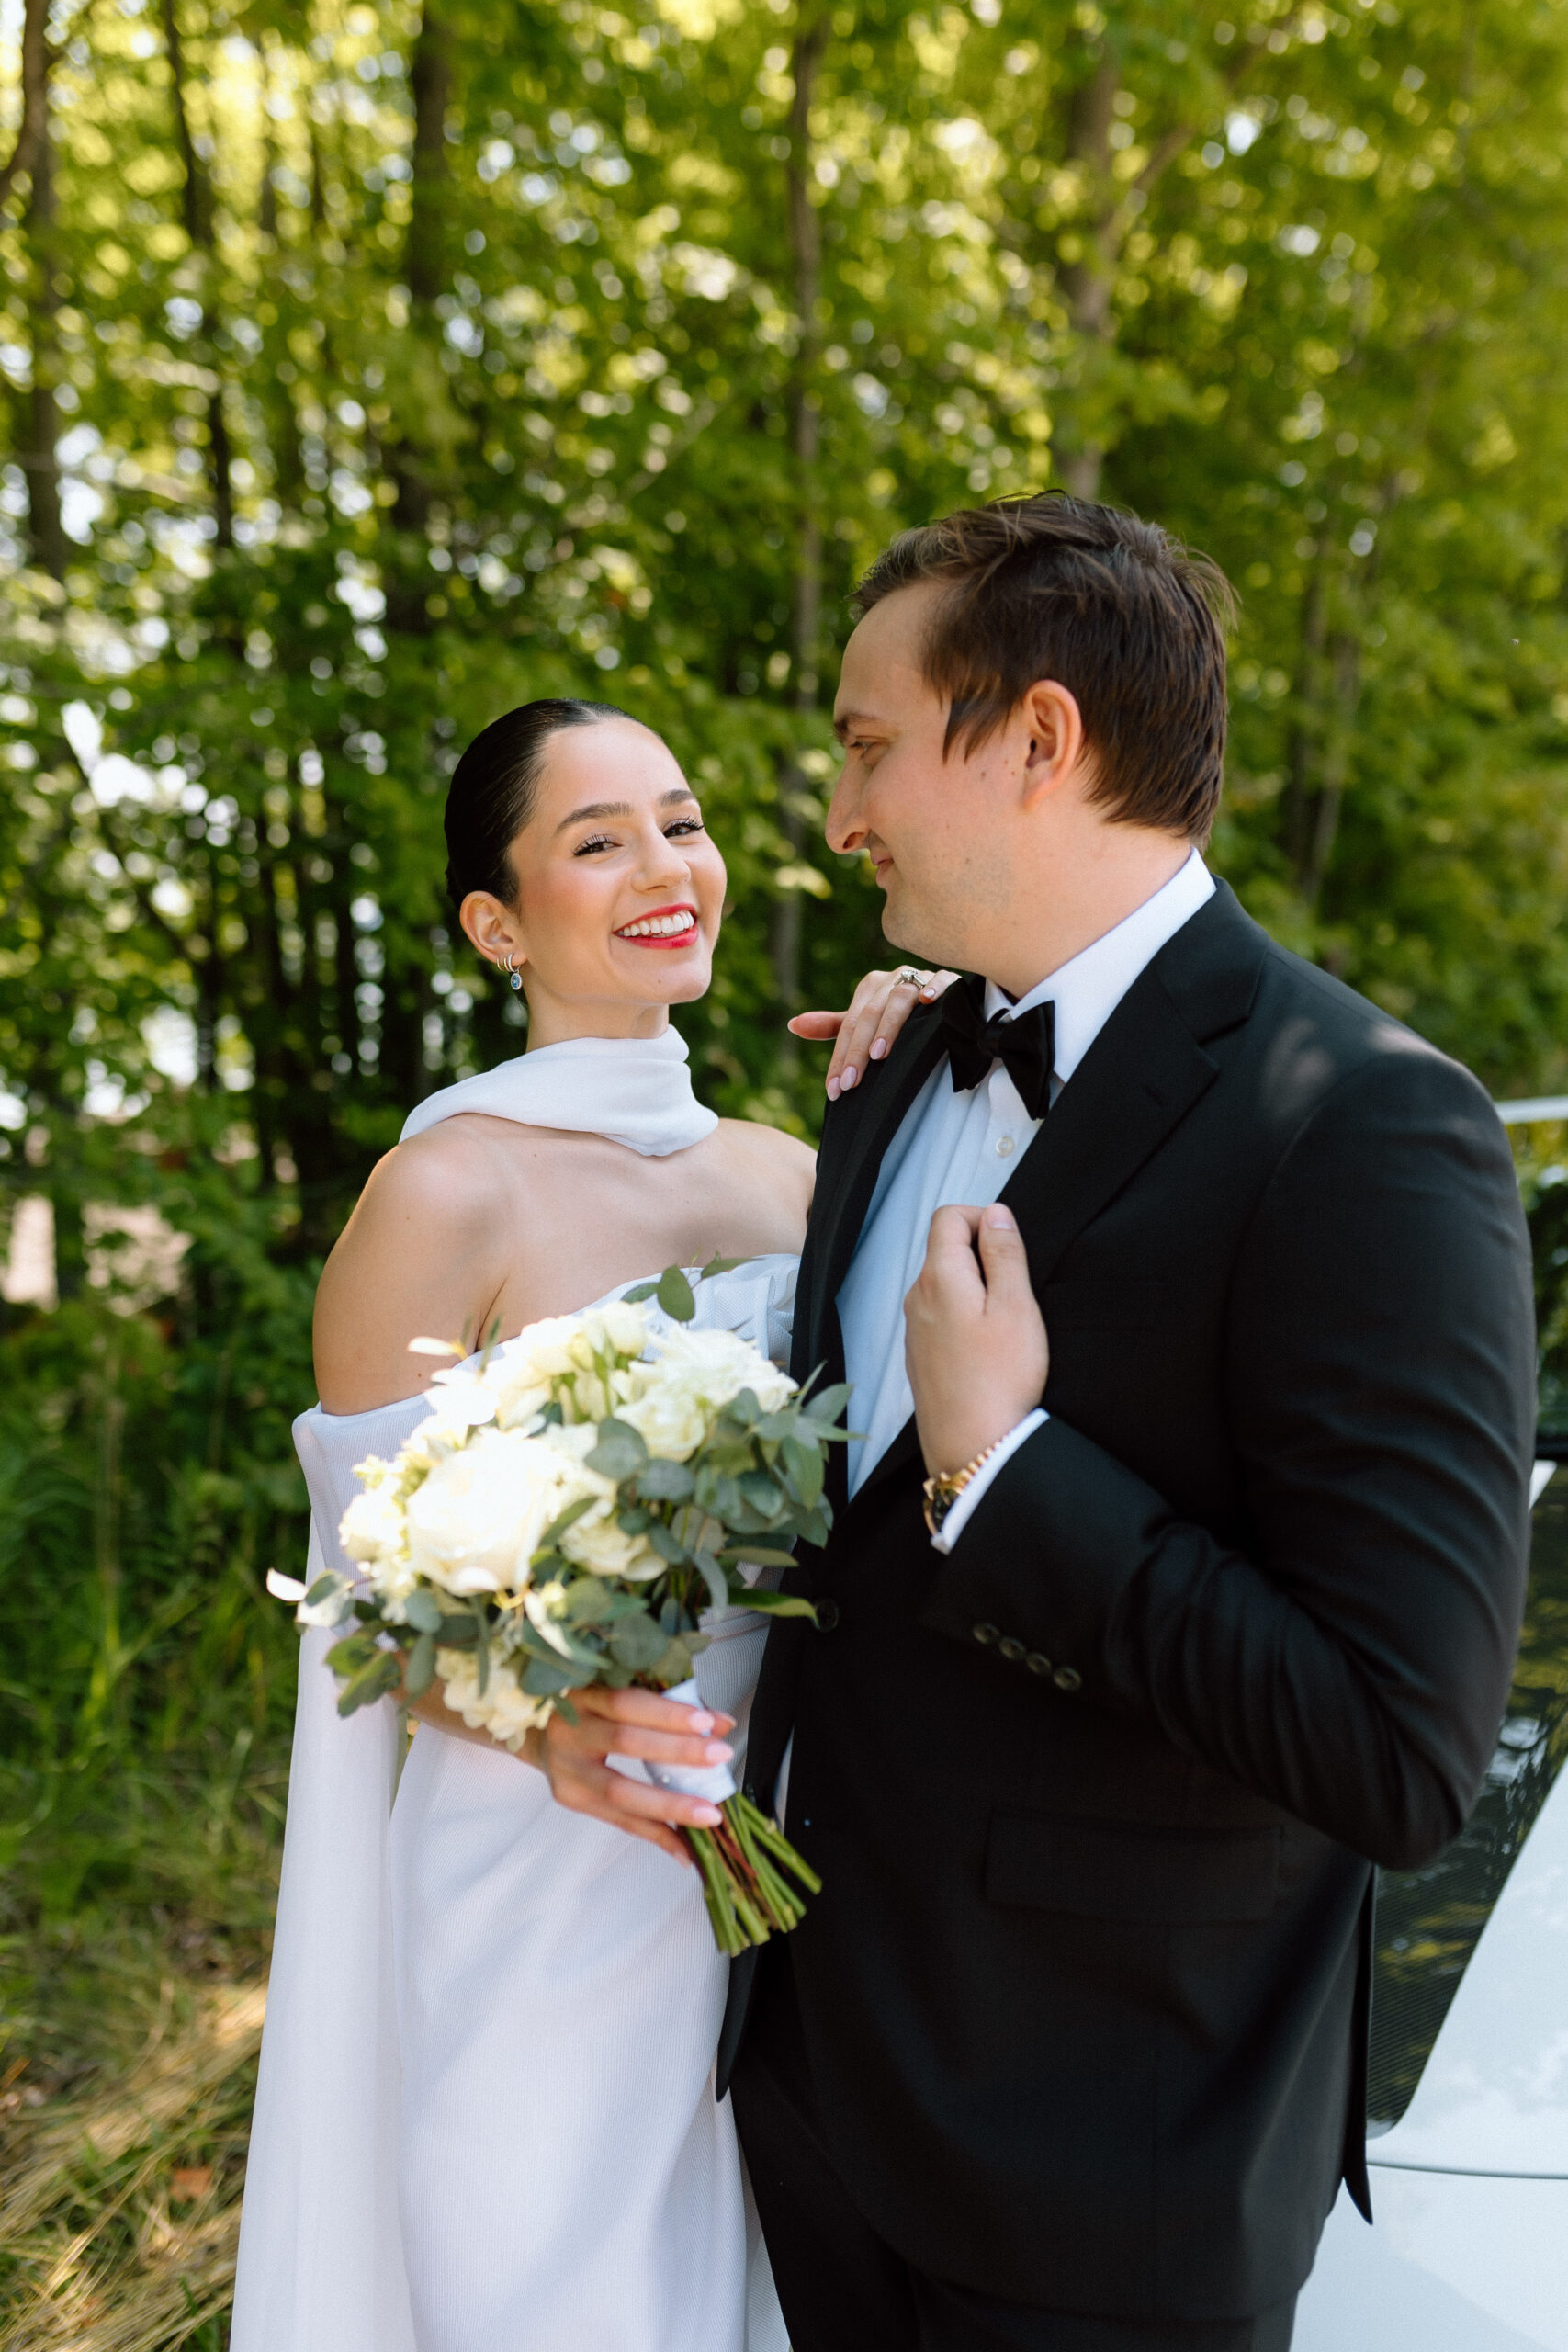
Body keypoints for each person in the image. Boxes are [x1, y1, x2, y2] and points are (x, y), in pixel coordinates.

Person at [723, 493, 1538, 2352]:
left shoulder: (1362, 1124)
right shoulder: (890, 1063)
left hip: (1103, 2182)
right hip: (805, 2102)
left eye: (866, 748)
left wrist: (1003, 1474)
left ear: (1034, 738)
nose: (837, 813)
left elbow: (1398, 1748)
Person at [231, 696, 940, 2352]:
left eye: (681, 823)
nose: (661, 866)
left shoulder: (791, 1167)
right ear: (497, 921)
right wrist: (552, 1730)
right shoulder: (444, 1194)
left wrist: (937, 1051)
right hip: (546, 1849)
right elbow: (374, 1595)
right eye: (595, 839)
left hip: (789, 1844)